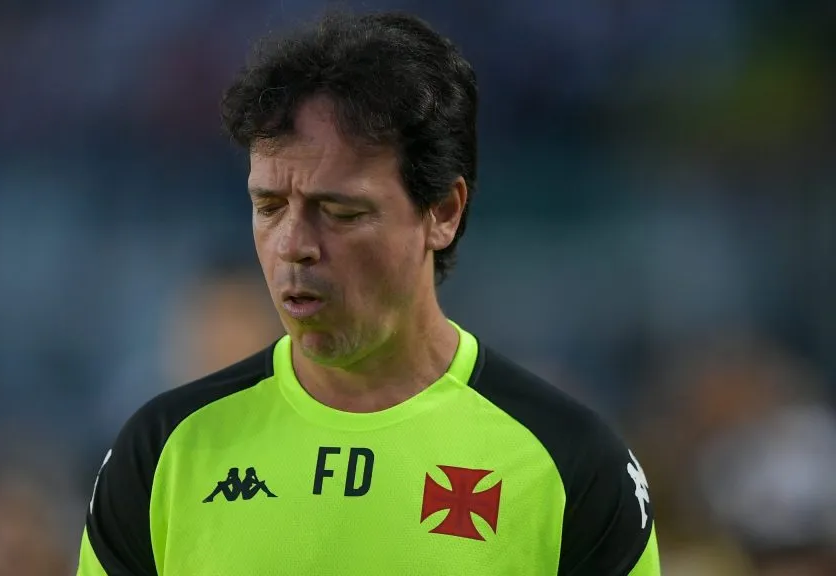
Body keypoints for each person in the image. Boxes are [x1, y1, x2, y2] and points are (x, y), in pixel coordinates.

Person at [78, 10, 660, 575]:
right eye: (269, 207)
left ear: (444, 212)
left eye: (340, 211)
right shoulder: (164, 455)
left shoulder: (570, 464)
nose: (293, 246)